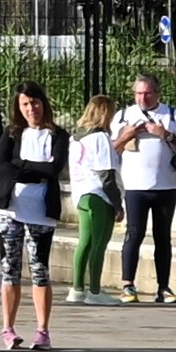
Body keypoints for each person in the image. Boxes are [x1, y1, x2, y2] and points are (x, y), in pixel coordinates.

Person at [111, 77, 176, 303]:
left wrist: (165, 134)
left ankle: (163, 287)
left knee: (163, 237)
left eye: (147, 94)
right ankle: (128, 285)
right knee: (134, 233)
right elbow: (111, 148)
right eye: (138, 94)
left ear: (158, 94)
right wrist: (129, 134)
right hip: (135, 186)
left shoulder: (172, 114)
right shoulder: (124, 116)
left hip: (166, 186)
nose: (143, 98)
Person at [1, 89, 64, 350]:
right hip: (11, 211)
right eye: (25, 104)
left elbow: (53, 168)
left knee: (39, 270)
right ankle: (8, 328)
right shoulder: (12, 133)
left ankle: (42, 330)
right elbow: (3, 165)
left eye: (34, 103)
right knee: (9, 269)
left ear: (43, 104)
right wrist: (32, 170)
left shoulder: (58, 135)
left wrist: (22, 168)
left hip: (41, 212)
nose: (31, 109)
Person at [66, 93, 120, 302]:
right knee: (99, 243)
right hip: (99, 195)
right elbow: (107, 174)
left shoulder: (76, 138)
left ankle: (77, 288)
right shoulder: (101, 138)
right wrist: (117, 204)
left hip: (81, 194)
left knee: (84, 242)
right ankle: (95, 291)